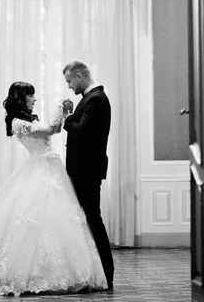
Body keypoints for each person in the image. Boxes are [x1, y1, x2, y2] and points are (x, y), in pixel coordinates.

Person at [0, 81, 107, 296]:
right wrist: (59, 107)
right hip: (39, 169)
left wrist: (65, 114)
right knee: (30, 221)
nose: (34, 99)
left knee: (55, 221)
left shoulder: (28, 119)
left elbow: (55, 129)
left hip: (51, 170)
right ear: (21, 98)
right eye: (30, 96)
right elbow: (47, 130)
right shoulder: (17, 123)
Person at [62, 61, 114, 290]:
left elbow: (80, 132)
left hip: (87, 171)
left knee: (93, 220)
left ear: (80, 76)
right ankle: (97, 272)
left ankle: (106, 273)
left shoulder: (96, 99)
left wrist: (68, 117)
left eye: (69, 81)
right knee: (90, 220)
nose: (69, 87)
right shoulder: (92, 97)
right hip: (84, 169)